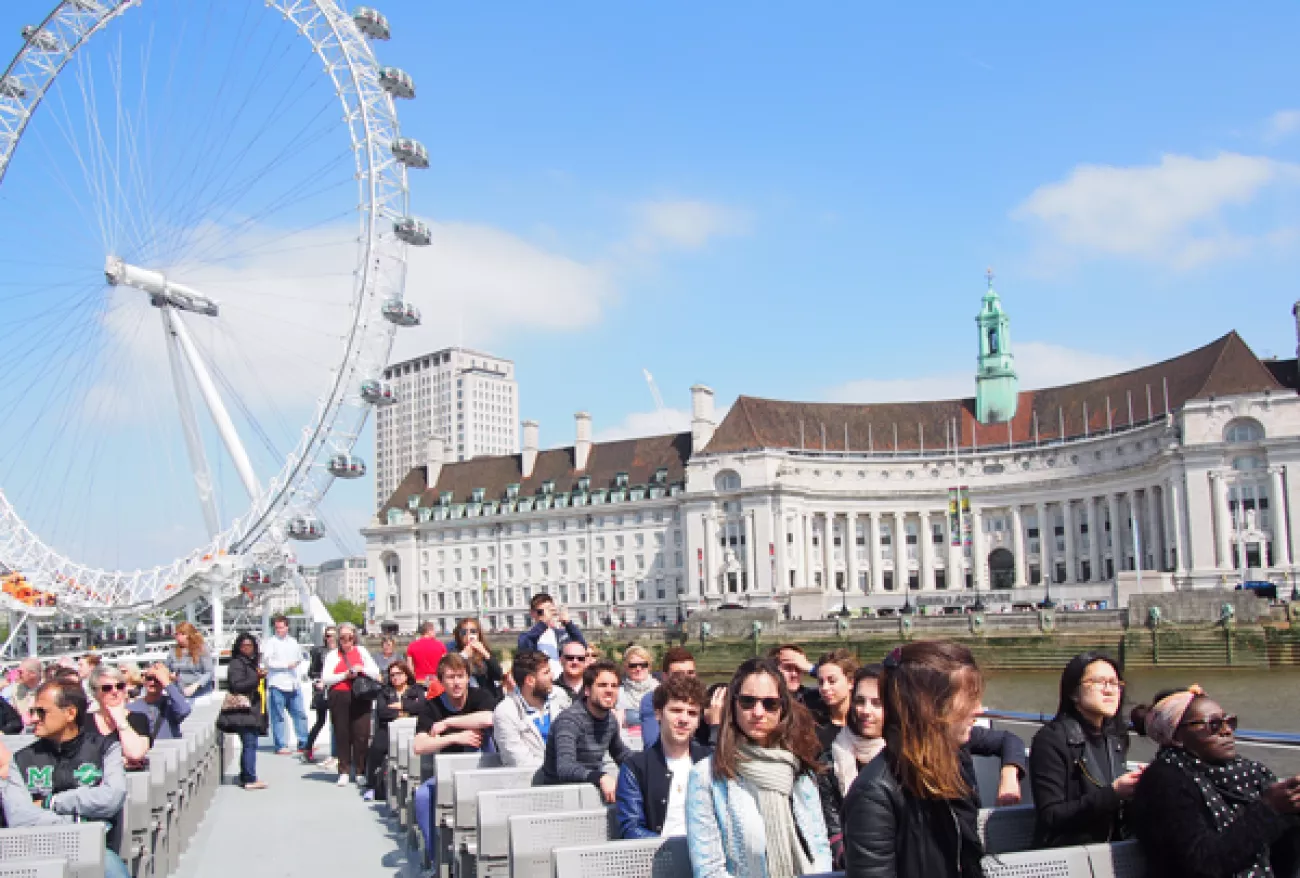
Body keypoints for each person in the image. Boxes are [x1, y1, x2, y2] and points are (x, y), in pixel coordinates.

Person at [841, 642, 987, 878]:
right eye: (969, 699)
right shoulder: (874, 794)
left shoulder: (954, 765)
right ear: (930, 708)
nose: (978, 710)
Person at [1130, 685, 1300, 878]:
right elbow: (1204, 863)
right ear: (1176, 736)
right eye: (1214, 724)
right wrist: (1269, 809)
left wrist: (1291, 814)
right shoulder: (1164, 780)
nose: (1227, 731)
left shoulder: (1253, 774)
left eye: (1229, 722)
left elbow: (1282, 858)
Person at [685, 657, 831, 878]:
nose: (758, 712)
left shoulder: (800, 770)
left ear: (782, 708)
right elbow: (709, 870)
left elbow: (819, 849)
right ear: (733, 705)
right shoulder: (705, 776)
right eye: (747, 702)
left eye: (770, 704)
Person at [1, 680, 132, 878]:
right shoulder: (21, 759)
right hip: (37, 852)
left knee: (111, 867)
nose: (33, 719)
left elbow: (112, 797)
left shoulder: (104, 749)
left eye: (41, 712)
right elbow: (19, 816)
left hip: (95, 851)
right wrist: (76, 827)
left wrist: (51, 802)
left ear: (70, 713)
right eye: (32, 712)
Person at [1030, 651, 1142, 847]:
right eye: (1099, 682)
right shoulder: (1051, 740)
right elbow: (1051, 816)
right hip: (1069, 854)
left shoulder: (1115, 738)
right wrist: (1113, 793)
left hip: (1114, 848)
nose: (1110, 690)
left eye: (1115, 683)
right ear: (1074, 692)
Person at [411, 653, 497, 855]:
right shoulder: (432, 706)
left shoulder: (480, 696)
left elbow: (489, 718)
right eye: (450, 677)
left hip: (484, 770)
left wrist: (449, 723)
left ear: (468, 677)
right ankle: (434, 857)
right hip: (449, 774)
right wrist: (454, 738)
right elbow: (419, 745)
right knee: (423, 795)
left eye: (460, 676)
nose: (456, 683)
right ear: (441, 681)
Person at [617, 673, 710, 839]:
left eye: (692, 713)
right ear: (658, 714)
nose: (684, 719)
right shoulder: (635, 768)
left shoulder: (712, 761)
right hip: (659, 858)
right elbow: (631, 828)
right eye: (676, 710)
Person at [819, 664, 887, 869]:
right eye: (859, 701)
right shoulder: (831, 758)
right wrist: (846, 855)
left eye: (877, 703)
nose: (866, 711)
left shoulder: (906, 755)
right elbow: (830, 823)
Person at [543, 659, 628, 803]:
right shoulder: (569, 721)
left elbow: (621, 754)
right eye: (602, 685)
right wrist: (601, 777)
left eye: (614, 686)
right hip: (558, 800)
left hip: (590, 794)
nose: (609, 690)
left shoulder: (610, 720)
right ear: (587, 690)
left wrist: (648, 765)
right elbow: (565, 768)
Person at [320, 623, 382, 787]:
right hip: (339, 695)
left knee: (361, 733)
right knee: (342, 733)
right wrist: (345, 675)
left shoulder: (362, 652)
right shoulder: (333, 655)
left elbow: (375, 672)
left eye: (350, 637)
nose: (346, 641)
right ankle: (344, 770)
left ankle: (360, 770)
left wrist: (361, 669)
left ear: (355, 637)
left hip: (360, 695)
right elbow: (326, 678)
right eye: (342, 638)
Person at [493, 648, 571, 768]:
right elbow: (518, 761)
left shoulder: (559, 696)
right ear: (530, 680)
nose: (552, 676)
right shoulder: (505, 712)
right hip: (531, 783)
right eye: (546, 672)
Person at [640, 647, 725, 749]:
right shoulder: (652, 699)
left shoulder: (706, 698)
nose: (686, 679)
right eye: (678, 674)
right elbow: (652, 744)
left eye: (690, 673)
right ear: (665, 677)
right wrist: (715, 725)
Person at [365, 660, 426, 801]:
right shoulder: (384, 692)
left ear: (406, 675)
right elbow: (383, 711)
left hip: (412, 728)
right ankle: (372, 785)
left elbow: (422, 706)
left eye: (399, 674)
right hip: (388, 727)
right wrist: (404, 712)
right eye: (392, 675)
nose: (395, 677)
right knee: (376, 748)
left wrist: (402, 704)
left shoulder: (417, 690)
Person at [226, 632, 269, 790]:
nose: (247, 648)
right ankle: (250, 778)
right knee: (249, 743)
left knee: (249, 743)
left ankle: (246, 775)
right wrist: (256, 678)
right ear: (238, 647)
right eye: (243, 645)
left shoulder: (251, 662)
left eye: (249, 645)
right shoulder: (237, 663)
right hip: (243, 711)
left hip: (251, 709)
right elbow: (236, 685)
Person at [262, 614, 309, 756]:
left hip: (293, 684)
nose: (279, 630)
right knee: (278, 716)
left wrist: (295, 664)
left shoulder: (294, 642)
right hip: (278, 683)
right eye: (276, 628)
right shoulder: (271, 642)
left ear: (287, 627)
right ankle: (281, 745)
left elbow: (299, 658)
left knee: (300, 714)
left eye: (281, 627)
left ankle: (304, 743)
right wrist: (285, 665)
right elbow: (268, 662)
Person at [87, 666, 151, 769]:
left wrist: (119, 717)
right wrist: (118, 761)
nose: (115, 691)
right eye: (107, 688)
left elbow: (135, 754)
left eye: (120, 686)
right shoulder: (85, 721)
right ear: (95, 693)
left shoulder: (139, 719)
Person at [519, 592, 587, 678]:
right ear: (532, 613)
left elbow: (581, 647)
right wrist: (543, 623)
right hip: (540, 681)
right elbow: (525, 648)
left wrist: (568, 624)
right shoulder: (526, 636)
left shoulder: (560, 634)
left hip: (560, 680)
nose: (545, 615)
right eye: (541, 612)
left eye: (550, 611)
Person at [128, 662, 192, 739]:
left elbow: (184, 710)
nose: (152, 683)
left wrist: (166, 683)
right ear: (144, 680)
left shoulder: (171, 705)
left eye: (157, 680)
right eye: (149, 678)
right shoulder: (132, 707)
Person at [767, 644, 827, 725]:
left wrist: (811, 668)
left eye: (799, 668)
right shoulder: (763, 701)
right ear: (772, 670)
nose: (794, 674)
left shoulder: (813, 698)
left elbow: (846, 689)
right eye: (788, 668)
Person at [814, 648, 861, 753]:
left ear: (851, 682)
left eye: (832, 681)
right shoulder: (815, 724)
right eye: (821, 682)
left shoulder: (863, 721)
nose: (825, 688)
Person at [303, 626, 336, 767]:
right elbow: (312, 672)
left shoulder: (342, 652)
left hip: (336, 689)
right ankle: (308, 748)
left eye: (334, 636)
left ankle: (336, 754)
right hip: (322, 691)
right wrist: (319, 680)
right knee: (320, 721)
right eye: (328, 636)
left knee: (336, 723)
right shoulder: (319, 652)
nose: (331, 639)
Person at [617, 645, 659, 747]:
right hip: (626, 746)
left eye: (643, 665)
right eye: (633, 666)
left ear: (649, 667)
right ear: (626, 668)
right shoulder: (618, 692)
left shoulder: (659, 690)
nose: (638, 669)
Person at [454, 618, 503, 694]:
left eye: (473, 631)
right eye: (464, 632)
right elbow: (452, 670)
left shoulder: (485, 651)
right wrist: (464, 655)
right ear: (459, 635)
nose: (468, 635)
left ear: (478, 634)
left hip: (488, 695)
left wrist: (484, 653)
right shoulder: (455, 653)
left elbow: (498, 674)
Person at [166, 621, 214, 698]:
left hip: (200, 692)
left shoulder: (202, 649)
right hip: (180, 691)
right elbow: (167, 668)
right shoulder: (173, 651)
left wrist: (195, 686)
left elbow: (209, 672)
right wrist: (170, 675)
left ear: (187, 635)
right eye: (176, 634)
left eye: (178, 634)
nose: (176, 636)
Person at [405, 621, 448, 693]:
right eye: (434, 630)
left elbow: (409, 667)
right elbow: (445, 664)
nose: (435, 633)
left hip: (419, 681)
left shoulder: (412, 646)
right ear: (429, 631)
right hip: (436, 680)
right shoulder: (440, 645)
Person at [2, 658, 41, 726]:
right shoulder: (13, 690)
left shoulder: (46, 690)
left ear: (32, 674)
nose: (17, 675)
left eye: (20, 672)